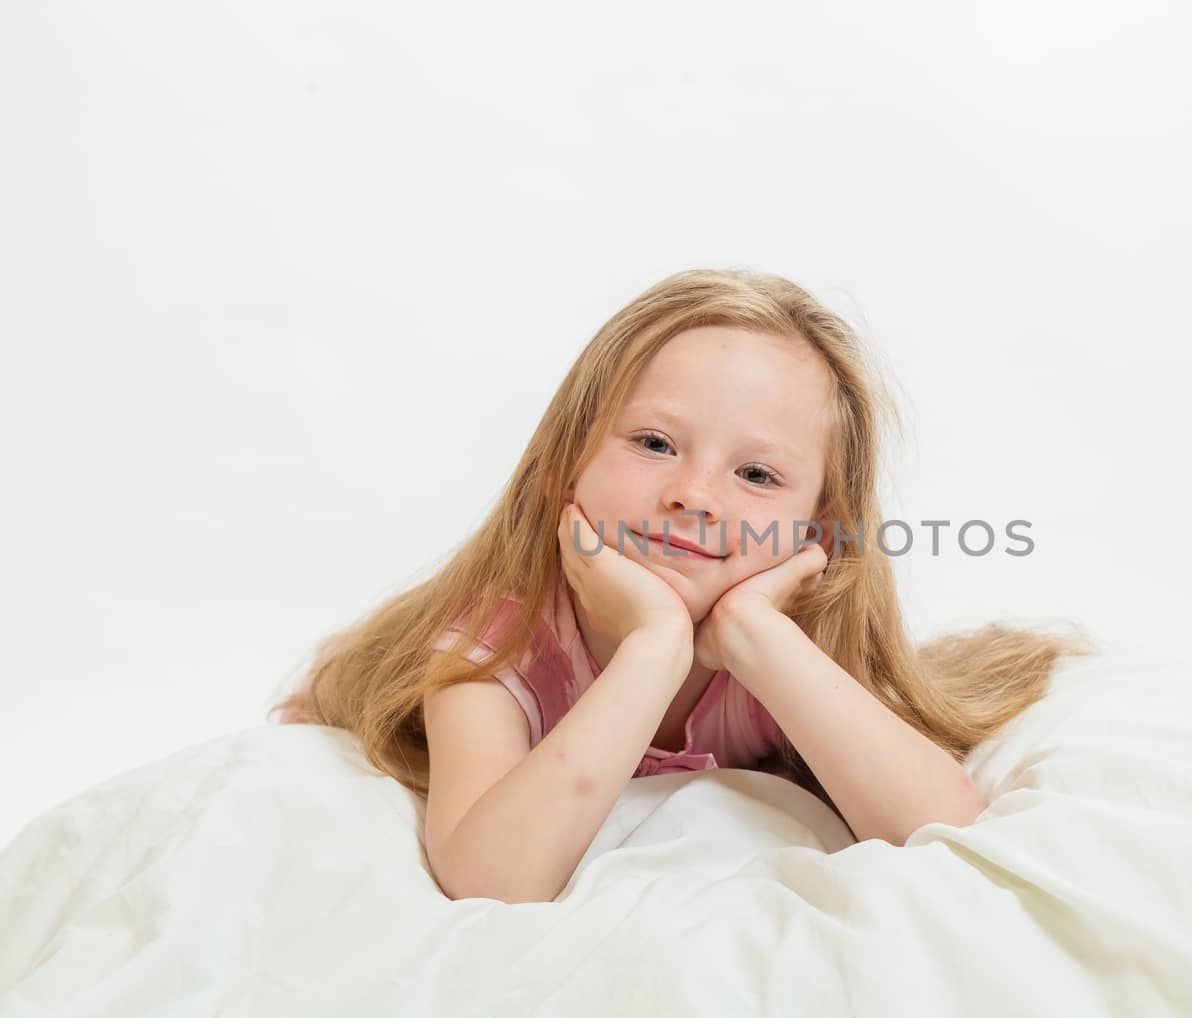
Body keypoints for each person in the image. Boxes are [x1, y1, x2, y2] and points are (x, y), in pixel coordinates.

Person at [270, 267, 1096, 903]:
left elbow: (948, 835)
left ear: (818, 523)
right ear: (567, 459)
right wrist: (654, 646)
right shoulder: (499, 643)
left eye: (757, 473)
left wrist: (756, 638)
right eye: (656, 443)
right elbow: (494, 879)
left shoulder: (792, 632)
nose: (693, 495)